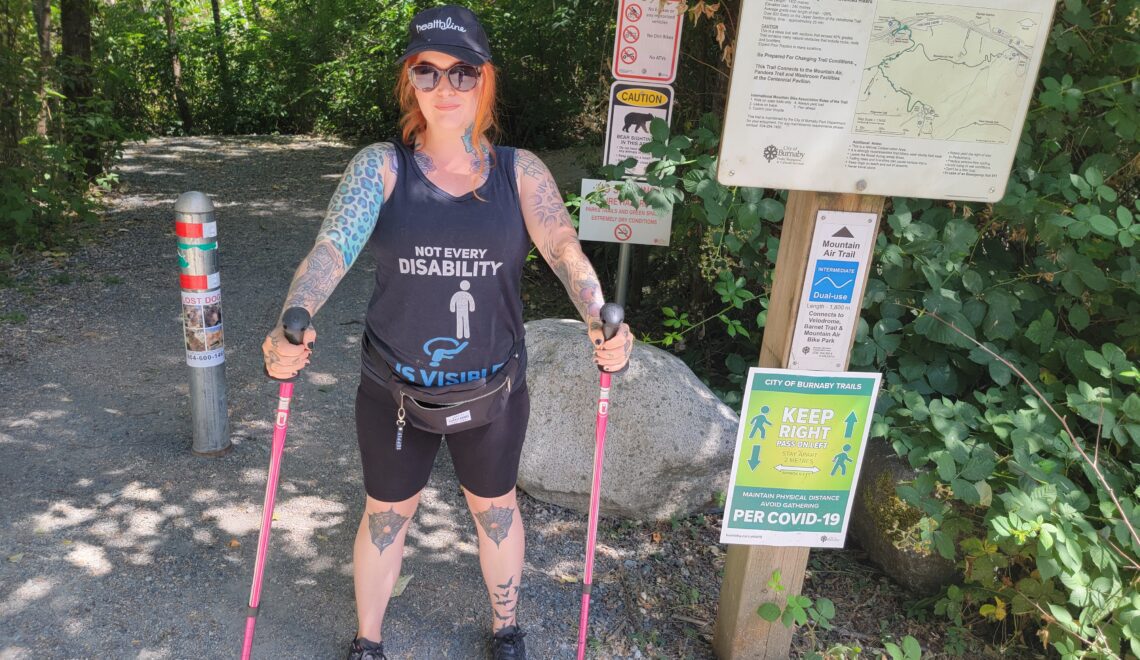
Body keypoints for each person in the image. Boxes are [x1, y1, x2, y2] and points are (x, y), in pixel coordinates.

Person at [260, 6, 632, 660]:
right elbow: (331, 249)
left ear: (485, 80)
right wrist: (294, 320)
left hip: (491, 390)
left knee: (495, 511)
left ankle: (507, 630)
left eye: (463, 72)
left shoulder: (520, 172)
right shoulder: (381, 168)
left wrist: (598, 314)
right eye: (428, 71)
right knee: (386, 516)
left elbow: (563, 247)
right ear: (411, 80)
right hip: (395, 391)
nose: (446, 87)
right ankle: (368, 643)